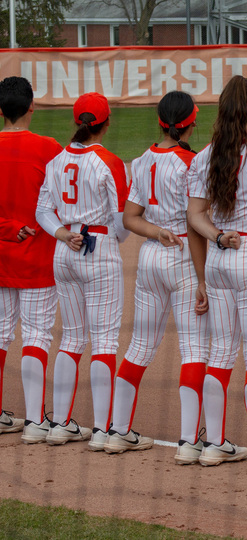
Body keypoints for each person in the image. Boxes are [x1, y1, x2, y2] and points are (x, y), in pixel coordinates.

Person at [187, 76, 247, 472]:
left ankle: (214, 444)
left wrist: (218, 236)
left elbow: (195, 215)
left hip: (219, 257)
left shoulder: (204, 156)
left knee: (221, 353)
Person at [105, 91, 209, 459]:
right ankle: (188, 442)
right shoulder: (193, 163)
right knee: (195, 349)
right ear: (190, 122)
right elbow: (196, 226)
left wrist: (155, 232)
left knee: (139, 346)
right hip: (182, 255)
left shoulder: (141, 160)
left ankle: (117, 431)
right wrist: (201, 278)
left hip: (150, 256)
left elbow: (131, 217)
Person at [35, 92, 129, 450]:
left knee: (71, 338)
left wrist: (63, 234)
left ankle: (60, 424)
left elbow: (43, 210)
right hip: (99, 249)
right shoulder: (110, 161)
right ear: (106, 123)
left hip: (64, 249)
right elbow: (120, 223)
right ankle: (104, 430)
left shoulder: (57, 160)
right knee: (104, 340)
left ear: (78, 121)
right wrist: (107, 240)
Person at [0, 76, 62, 440]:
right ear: (32, 106)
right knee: (37, 334)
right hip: (38, 255)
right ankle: (37, 421)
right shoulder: (49, 148)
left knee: (0, 333)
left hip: (1, 255)